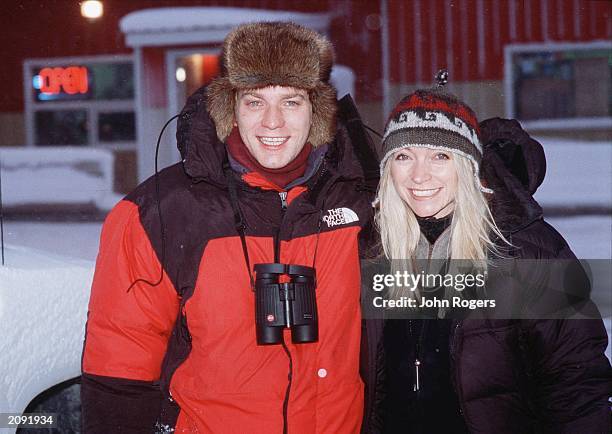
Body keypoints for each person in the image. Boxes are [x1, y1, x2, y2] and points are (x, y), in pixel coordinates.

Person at [81, 22, 379, 433]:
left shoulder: (361, 200)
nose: (273, 122)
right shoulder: (160, 213)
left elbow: (441, 308)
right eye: (255, 102)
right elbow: (118, 368)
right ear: (230, 108)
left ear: (318, 110)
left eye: (291, 102)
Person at [361, 84, 612, 433]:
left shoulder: (529, 251)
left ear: (467, 168)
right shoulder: (371, 251)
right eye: (404, 156)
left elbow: (576, 387)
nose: (419, 175)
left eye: (440, 156)